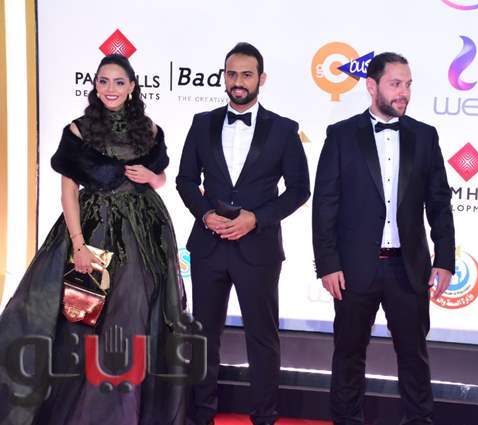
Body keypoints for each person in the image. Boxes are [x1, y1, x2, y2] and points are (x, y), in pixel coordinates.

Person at [0, 54, 188, 424]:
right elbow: (68, 191)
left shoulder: (150, 129)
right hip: (94, 229)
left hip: (145, 234)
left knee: (134, 318)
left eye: (118, 82)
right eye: (103, 81)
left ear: (132, 86)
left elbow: (161, 178)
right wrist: (78, 244)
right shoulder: (78, 130)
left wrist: (152, 177)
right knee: (83, 321)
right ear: (95, 85)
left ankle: (123, 410)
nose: (110, 89)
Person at [312, 52, 456, 425]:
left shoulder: (425, 136)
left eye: (408, 84)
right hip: (353, 269)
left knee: (414, 358)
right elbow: (325, 203)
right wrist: (327, 263)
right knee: (348, 356)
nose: (403, 92)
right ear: (371, 86)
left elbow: (439, 202)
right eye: (395, 84)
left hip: (408, 269)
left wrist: (444, 259)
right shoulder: (341, 135)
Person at [176, 42, 310, 425]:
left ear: (261, 79)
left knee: (262, 340)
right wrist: (205, 215)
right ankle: (200, 416)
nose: (238, 81)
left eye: (246, 74)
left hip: (258, 249)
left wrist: (257, 218)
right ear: (224, 77)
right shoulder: (202, 123)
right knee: (204, 338)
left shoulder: (283, 129)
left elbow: (299, 190)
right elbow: (186, 180)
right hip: (209, 247)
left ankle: (264, 417)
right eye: (232, 74)